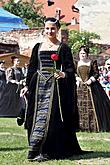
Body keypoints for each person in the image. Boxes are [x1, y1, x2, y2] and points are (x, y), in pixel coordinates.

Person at [21, 17, 91, 162]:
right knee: (36, 117)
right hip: (38, 87)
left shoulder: (63, 48)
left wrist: (64, 74)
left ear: (57, 29)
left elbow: (70, 68)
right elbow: (32, 68)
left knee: (52, 119)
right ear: (44, 29)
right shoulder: (38, 47)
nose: (50, 31)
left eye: (53, 28)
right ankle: (35, 149)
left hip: (55, 89)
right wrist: (27, 86)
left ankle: (49, 150)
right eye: (47, 28)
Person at [76, 45, 110, 132]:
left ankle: (93, 126)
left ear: (87, 54)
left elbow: (96, 74)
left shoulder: (92, 62)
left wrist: (90, 80)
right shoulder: (76, 62)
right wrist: (78, 78)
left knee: (93, 106)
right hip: (79, 87)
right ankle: (80, 126)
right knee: (78, 105)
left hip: (91, 87)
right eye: (81, 53)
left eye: (84, 53)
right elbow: (73, 72)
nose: (82, 55)